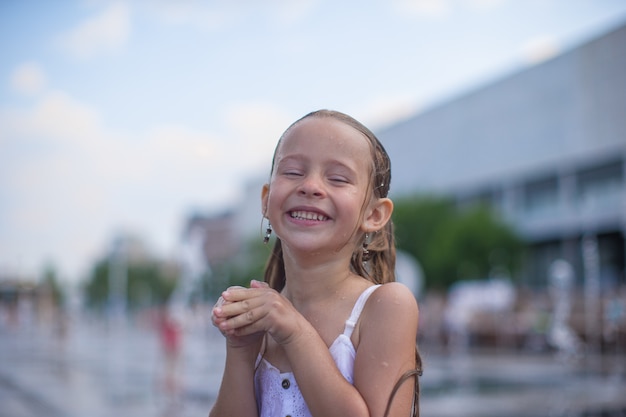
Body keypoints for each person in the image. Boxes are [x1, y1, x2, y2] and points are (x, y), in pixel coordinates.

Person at [210, 109, 422, 417]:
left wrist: (295, 332)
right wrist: (241, 351)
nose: (310, 186)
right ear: (266, 200)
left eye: (337, 178)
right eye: (293, 172)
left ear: (374, 215)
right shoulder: (263, 315)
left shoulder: (386, 305)